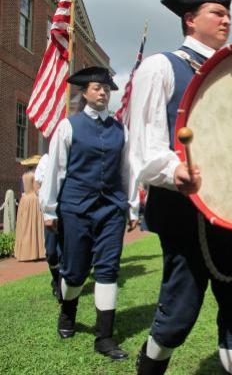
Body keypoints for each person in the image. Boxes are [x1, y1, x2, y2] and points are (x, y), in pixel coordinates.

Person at [128, 0, 232, 374]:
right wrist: (174, 172)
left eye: (229, 13)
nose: (226, 19)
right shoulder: (160, 67)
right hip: (181, 208)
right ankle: (149, 366)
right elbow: (144, 146)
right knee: (181, 308)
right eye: (217, 12)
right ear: (190, 20)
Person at [39, 67, 136, 360]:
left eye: (107, 88)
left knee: (108, 270)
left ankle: (104, 338)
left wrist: (131, 206)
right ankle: (68, 314)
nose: (103, 92)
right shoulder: (69, 126)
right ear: (84, 92)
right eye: (97, 88)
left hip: (111, 209)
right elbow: (57, 169)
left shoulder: (121, 128)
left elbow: (127, 170)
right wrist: (49, 209)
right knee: (75, 271)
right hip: (76, 207)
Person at [35, 153, 61, 300]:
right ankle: (56, 278)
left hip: (65, 211)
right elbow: (36, 184)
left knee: (63, 251)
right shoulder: (45, 159)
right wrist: (43, 196)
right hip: (50, 214)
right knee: (51, 252)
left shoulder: (69, 157)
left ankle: (61, 284)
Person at [14, 156, 45, 261]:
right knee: (34, 225)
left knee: (25, 226)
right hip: (33, 200)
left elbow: (22, 189)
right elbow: (37, 189)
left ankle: (23, 253)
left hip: (24, 200)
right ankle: (34, 252)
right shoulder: (34, 175)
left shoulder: (23, 175)